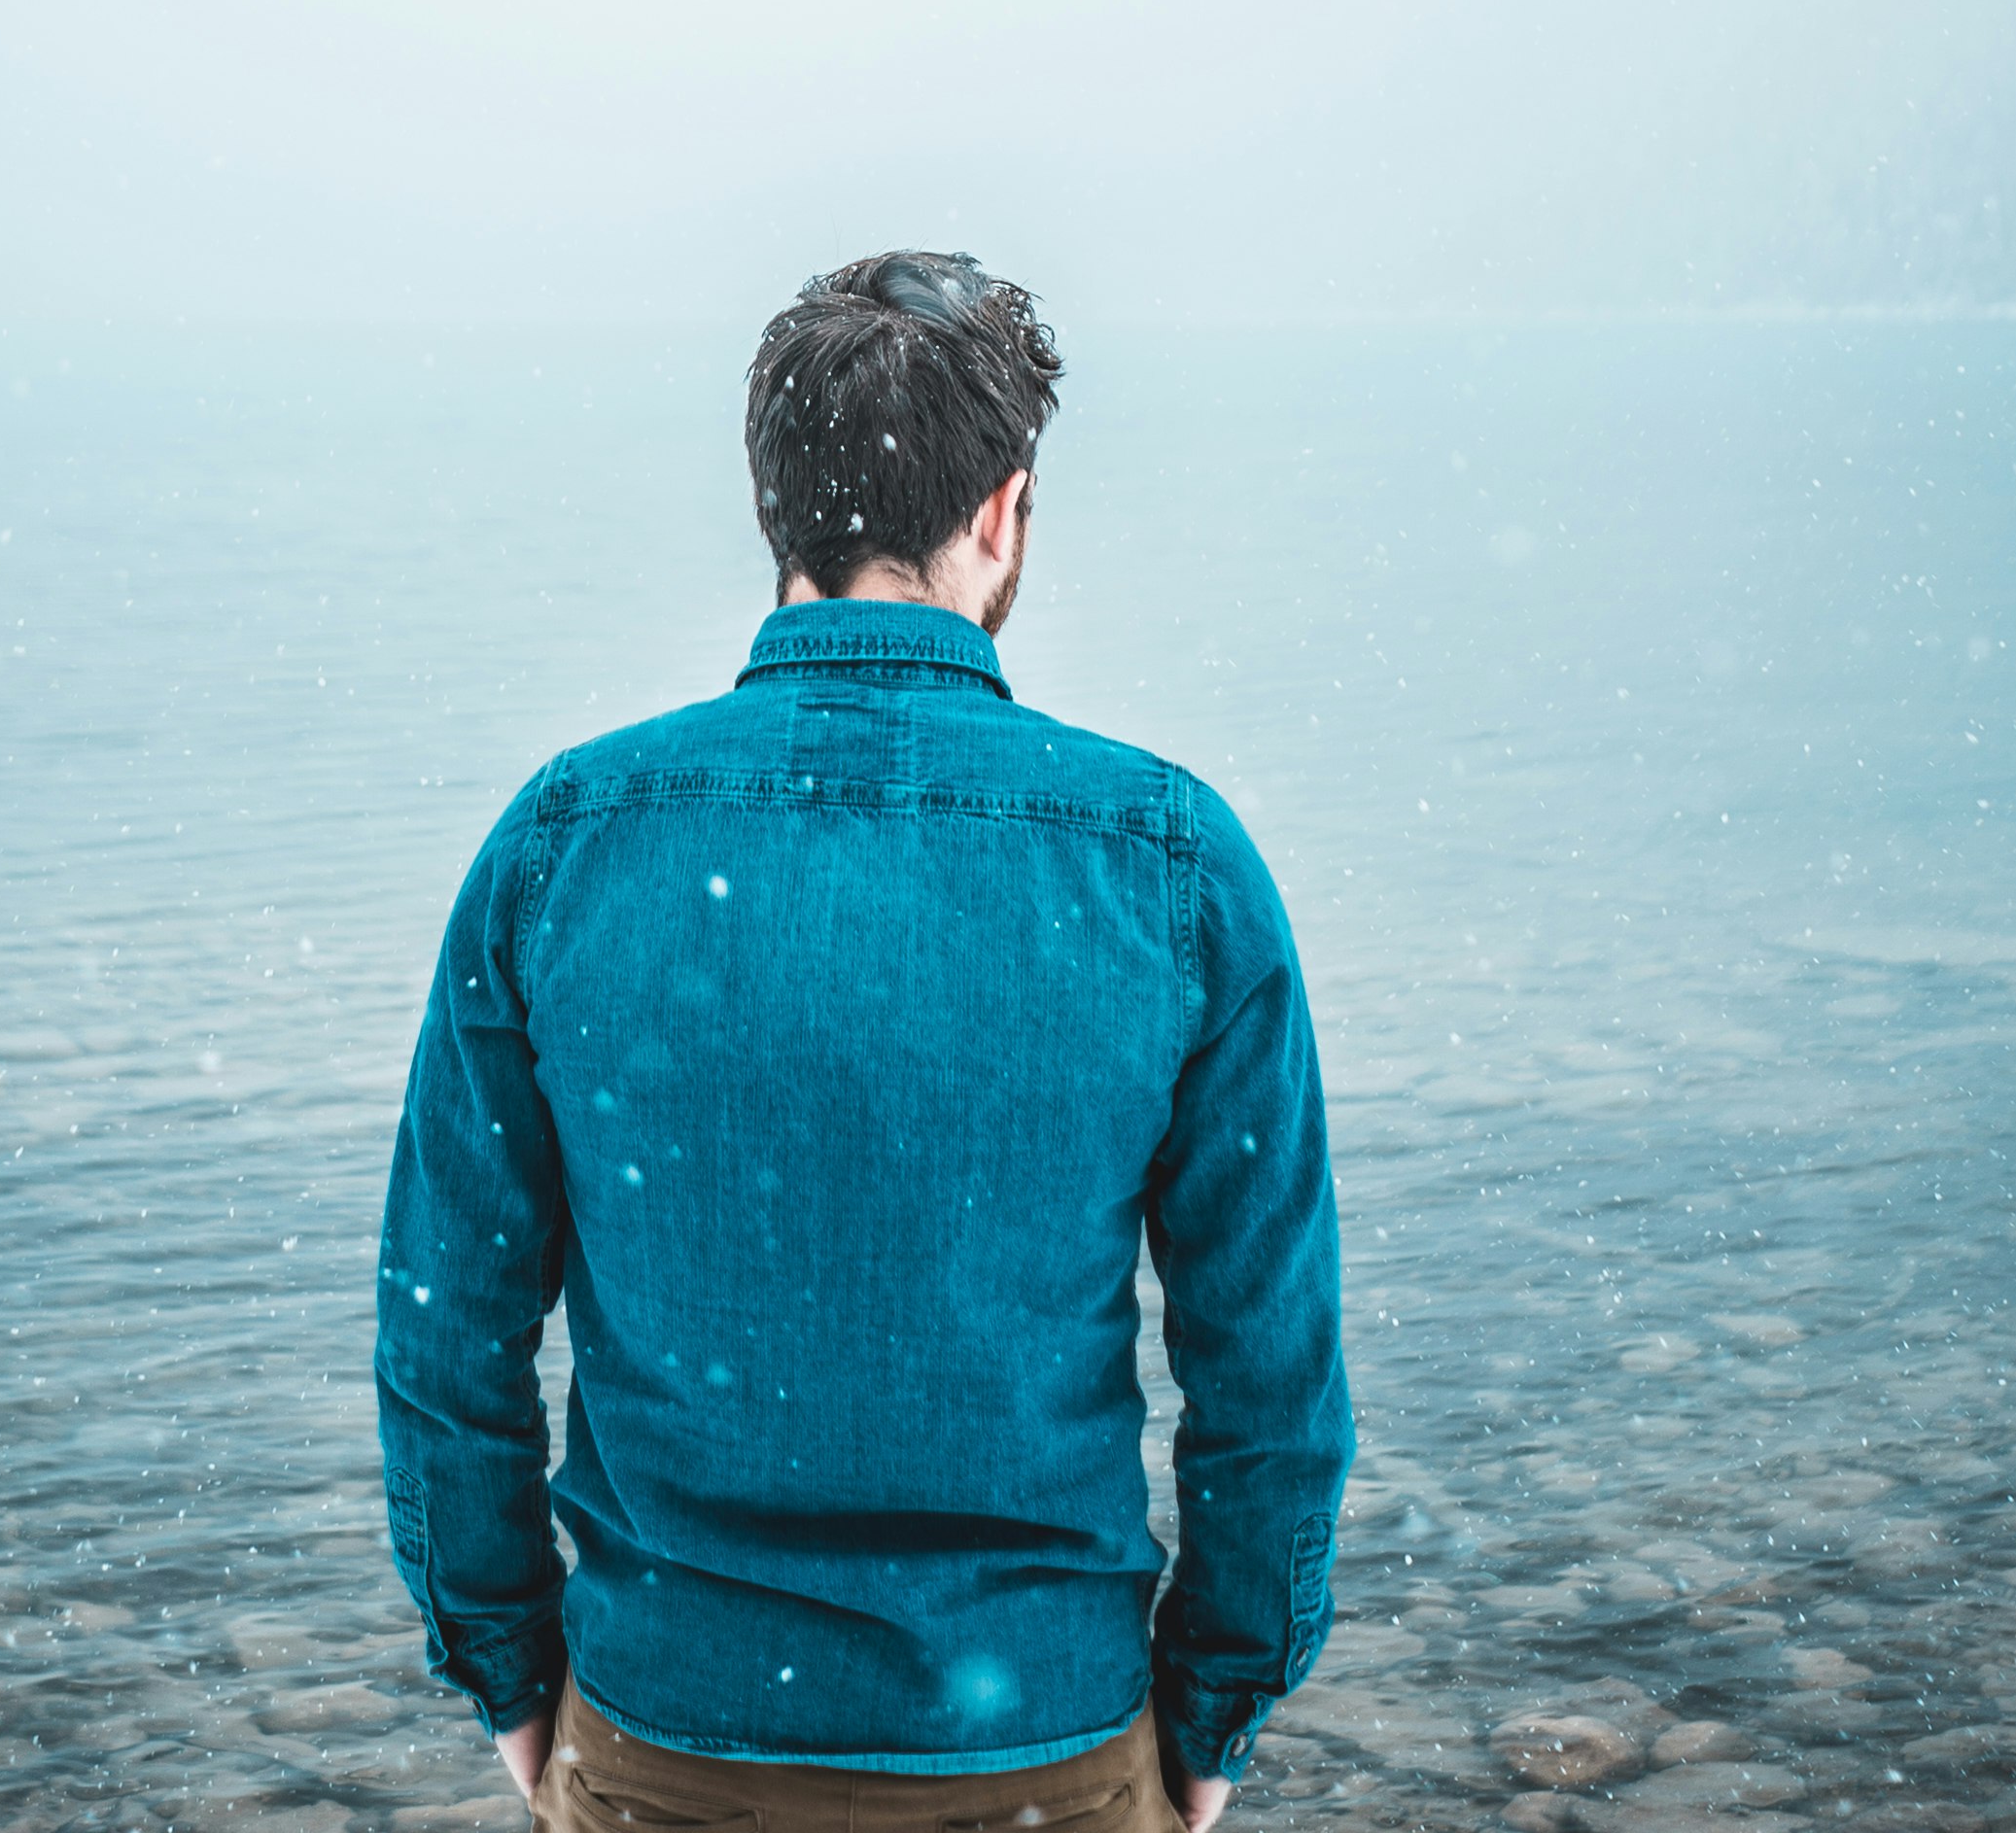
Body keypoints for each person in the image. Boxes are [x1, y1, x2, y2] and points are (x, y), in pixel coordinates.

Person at [375, 251, 1352, 1833]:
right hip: (1046, 1748)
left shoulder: (564, 845)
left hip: (663, 1738)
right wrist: (1214, 1728)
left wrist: (512, 1686)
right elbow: (1271, 1390)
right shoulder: (1171, 864)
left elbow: (446, 1342)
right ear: (1005, 511)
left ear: (777, 516)